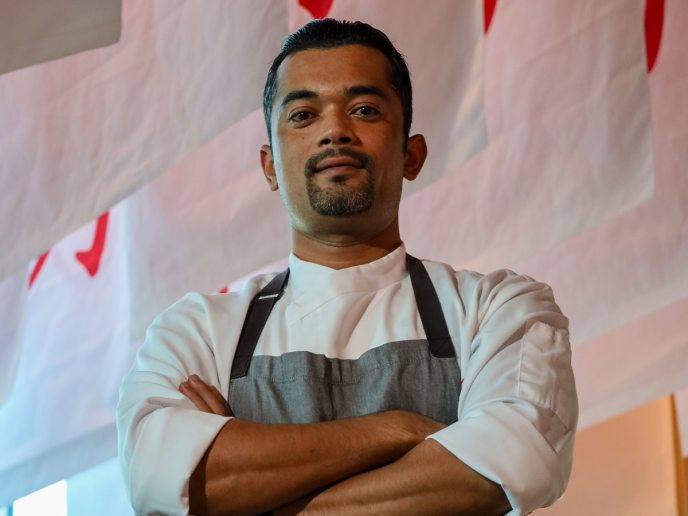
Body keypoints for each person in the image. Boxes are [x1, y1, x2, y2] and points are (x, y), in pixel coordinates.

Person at [117, 18, 577, 515]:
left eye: (364, 109)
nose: (335, 130)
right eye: (303, 115)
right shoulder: (196, 331)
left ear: (411, 154)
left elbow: (507, 467)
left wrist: (252, 486)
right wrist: (397, 430)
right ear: (270, 167)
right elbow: (157, 480)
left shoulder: (501, 308)